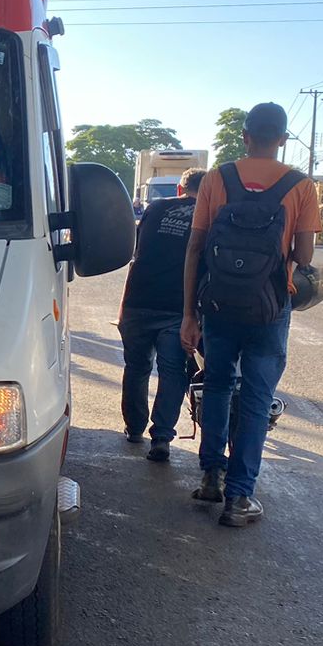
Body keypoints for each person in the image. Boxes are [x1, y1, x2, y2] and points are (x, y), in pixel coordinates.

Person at [180, 104, 320, 527]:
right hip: (269, 308)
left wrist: (189, 314)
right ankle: (240, 498)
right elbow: (304, 256)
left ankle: (210, 476)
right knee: (257, 399)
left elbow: (195, 248)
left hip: (219, 305)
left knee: (217, 385)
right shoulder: (301, 186)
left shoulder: (217, 179)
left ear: (245, 136)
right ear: (283, 139)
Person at [118, 168, 204, 460]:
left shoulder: (154, 208)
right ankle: (162, 438)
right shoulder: (208, 216)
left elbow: (138, 251)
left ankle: (134, 428)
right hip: (177, 307)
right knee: (172, 371)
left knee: (136, 367)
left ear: (180, 189)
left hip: (138, 301)